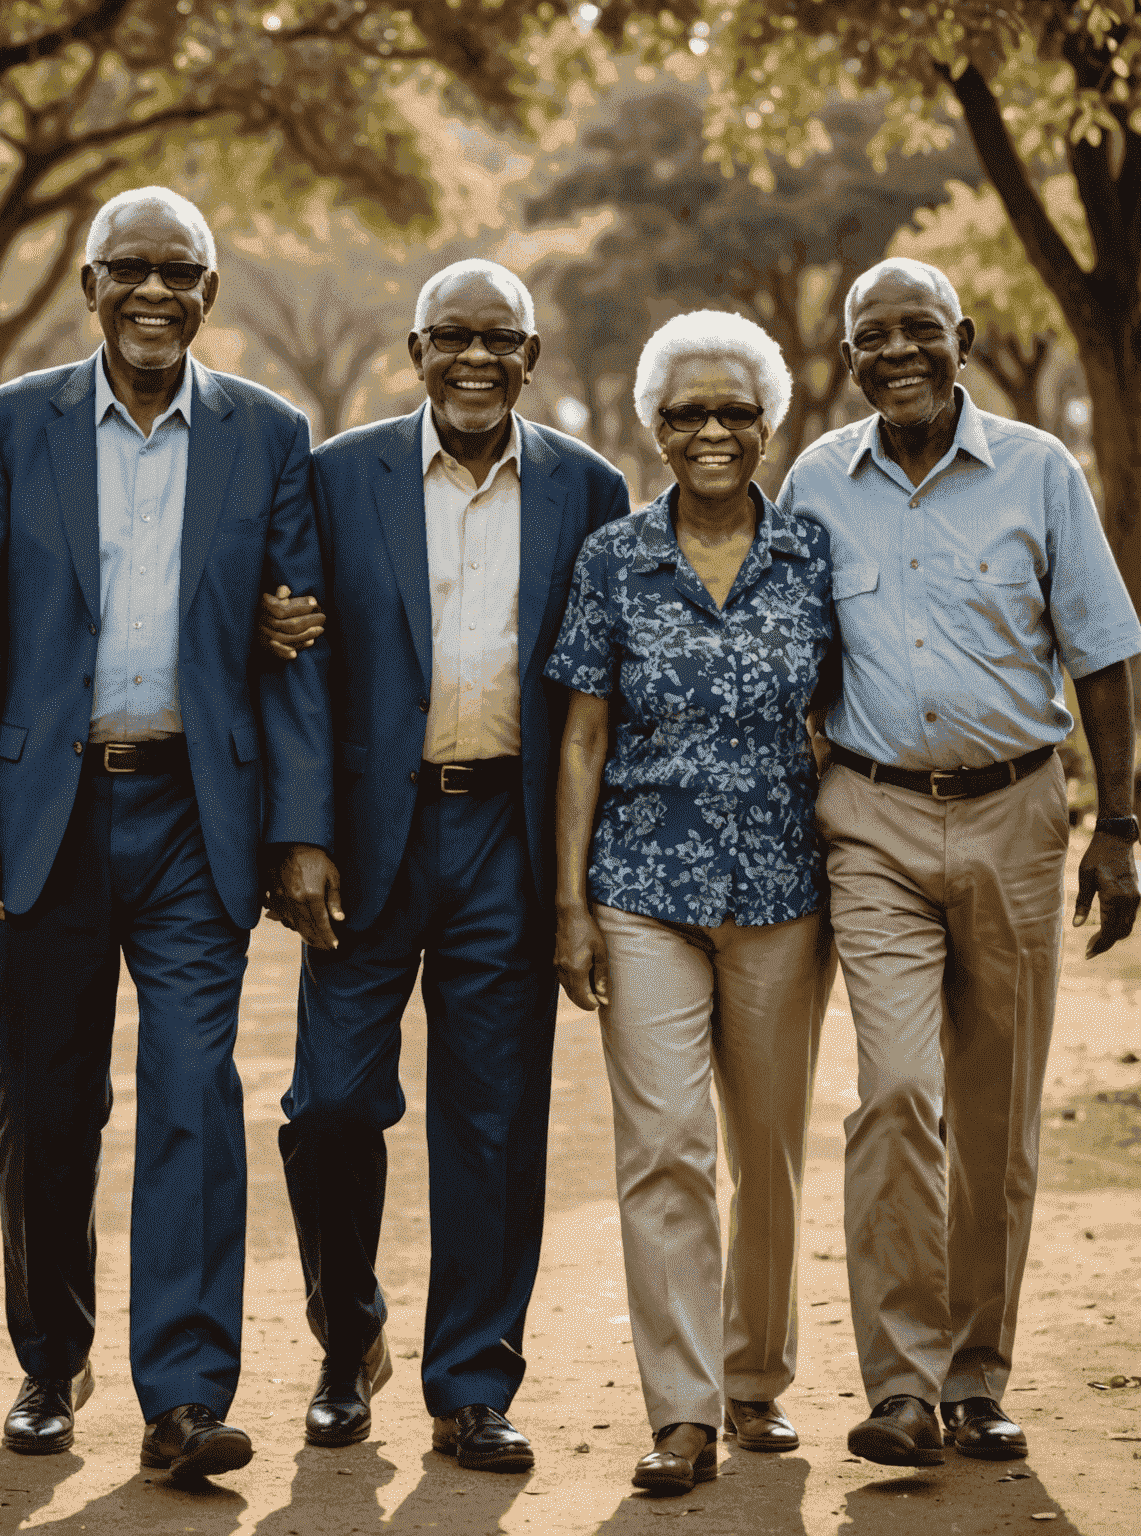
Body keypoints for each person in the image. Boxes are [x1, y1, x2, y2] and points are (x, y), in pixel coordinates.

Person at [0, 187, 333, 1481]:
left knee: (191, 1099)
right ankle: (50, 1363)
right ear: (92, 285)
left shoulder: (271, 433)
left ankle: (185, 1392)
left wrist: (301, 826)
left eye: (183, 271)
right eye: (133, 269)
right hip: (49, 810)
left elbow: (297, 634)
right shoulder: (11, 425)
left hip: (194, 814)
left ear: (210, 293)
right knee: (51, 1106)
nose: (157, 291)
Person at [263, 259, 630, 1472]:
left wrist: (587, 879)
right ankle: (345, 1334)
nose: (476, 358)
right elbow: (299, 662)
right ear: (414, 350)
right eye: (452, 337)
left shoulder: (591, 487)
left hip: (509, 843)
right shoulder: (335, 475)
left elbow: (605, 685)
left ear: (532, 356)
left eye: (501, 340)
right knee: (328, 1106)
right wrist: (302, 834)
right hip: (371, 837)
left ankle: (473, 1382)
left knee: (493, 1122)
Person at [779, 257, 1141, 1467]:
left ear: (964, 338)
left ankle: (978, 1379)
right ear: (851, 356)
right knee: (896, 1094)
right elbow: (781, 652)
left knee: (996, 1117)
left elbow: (1100, 654)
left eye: (918, 330)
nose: (895, 352)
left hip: (1020, 819)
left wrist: (1123, 825)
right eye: (870, 336)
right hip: (872, 821)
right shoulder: (818, 483)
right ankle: (899, 1386)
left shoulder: (1040, 470)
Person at [548, 311, 838, 1495]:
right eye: (686, 413)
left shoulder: (815, 552)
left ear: (769, 425)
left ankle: (754, 1374)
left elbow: (854, 708)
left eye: (733, 412)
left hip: (781, 891)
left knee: (765, 1150)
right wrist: (569, 904)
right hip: (642, 890)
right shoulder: (615, 558)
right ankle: (683, 1411)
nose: (711, 431)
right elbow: (582, 737)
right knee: (665, 1144)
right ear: (654, 427)